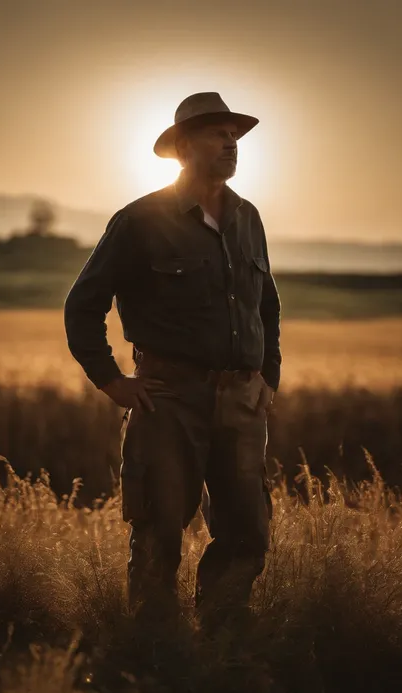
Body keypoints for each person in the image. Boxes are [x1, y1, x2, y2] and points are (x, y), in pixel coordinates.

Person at [64, 92, 282, 627]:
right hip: (169, 398)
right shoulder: (140, 219)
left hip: (241, 400)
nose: (231, 143)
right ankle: (155, 656)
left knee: (246, 531)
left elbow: (268, 306)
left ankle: (224, 651)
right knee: (160, 529)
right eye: (217, 133)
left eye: (235, 134)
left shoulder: (247, 217)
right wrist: (112, 380)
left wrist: (266, 378)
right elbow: (83, 304)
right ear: (184, 148)